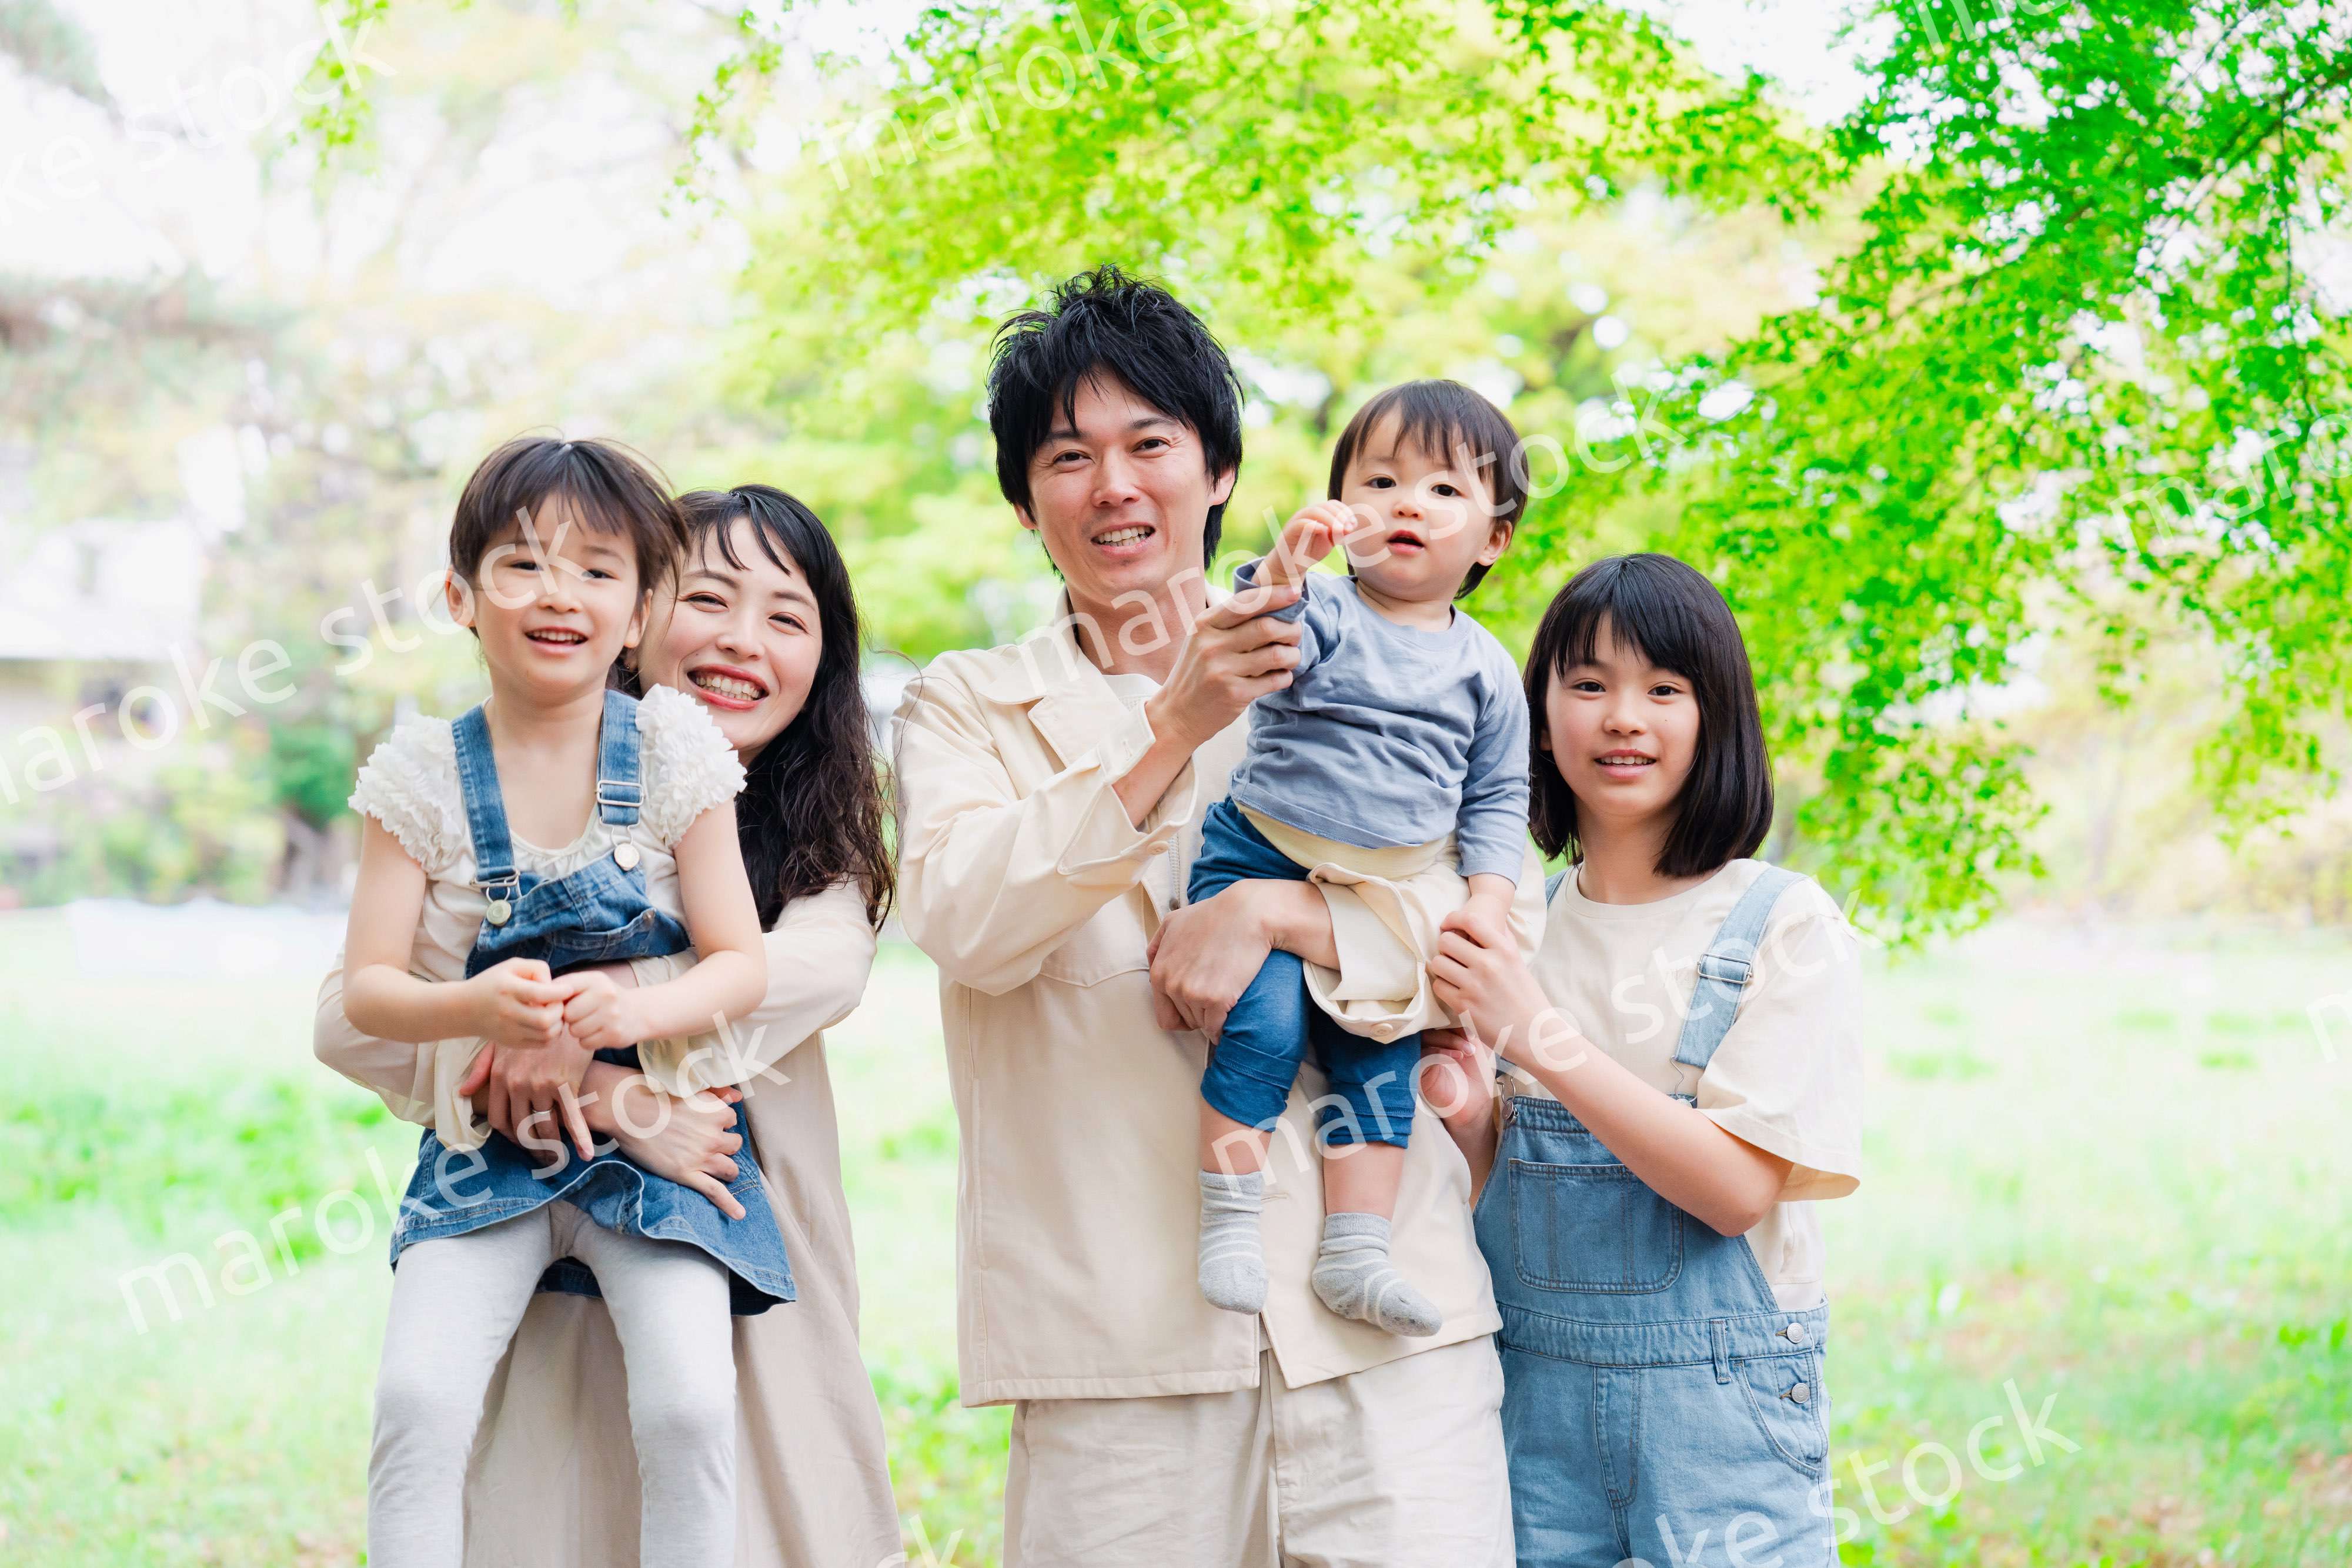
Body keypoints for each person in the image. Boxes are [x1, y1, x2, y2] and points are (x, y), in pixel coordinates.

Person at [894, 266, 1524, 1567]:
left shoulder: (1362, 663)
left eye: (1150, 445)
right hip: (1122, 1362)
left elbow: (1484, 943)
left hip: (1386, 1342)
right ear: (1023, 500)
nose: (1112, 486)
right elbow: (964, 921)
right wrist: (1171, 727)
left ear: (1220, 469)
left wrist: (1281, 913)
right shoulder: (963, 706)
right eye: (1067, 457)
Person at [317, 482, 903, 1568]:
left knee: (739, 1471)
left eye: (786, 617)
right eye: (709, 599)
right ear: (644, 619)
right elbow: (350, 1015)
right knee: (543, 1492)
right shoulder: (479, 787)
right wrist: (610, 1093)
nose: (742, 640)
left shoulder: (819, 848)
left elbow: (796, 975)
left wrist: (581, 1026)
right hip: (533, 1224)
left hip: (730, 1213)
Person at [1424, 553, 1866, 1568]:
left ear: (1716, 719)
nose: (1624, 718)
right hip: (1528, 1407)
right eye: (1588, 684)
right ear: (1539, 721)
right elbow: (1497, 1195)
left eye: (1665, 689)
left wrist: (1538, 1035)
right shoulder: (1508, 925)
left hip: (1723, 1429)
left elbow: (1735, 1191)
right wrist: (1469, 1111)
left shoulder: (1783, 923)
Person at [1191, 379, 1533, 1340]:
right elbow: (1258, 631)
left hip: (1388, 892)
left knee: (1378, 1057)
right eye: (1380, 482)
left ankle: (1357, 1253)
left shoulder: (1487, 667)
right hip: (1263, 855)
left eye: (1444, 489)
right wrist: (1286, 568)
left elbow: (1498, 796)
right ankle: (1229, 1220)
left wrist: (1489, 900)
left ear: (1495, 538)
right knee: (1262, 1028)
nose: (1407, 504)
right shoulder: (1331, 612)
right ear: (1344, 509)